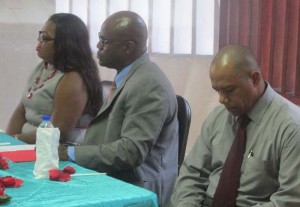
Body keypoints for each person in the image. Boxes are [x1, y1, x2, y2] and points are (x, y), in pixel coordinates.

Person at [58, 11, 179, 206]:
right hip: (112, 176)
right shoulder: (130, 76)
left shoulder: (148, 84)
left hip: (136, 187)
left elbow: (130, 151)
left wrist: (70, 154)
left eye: (104, 41)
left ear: (127, 47)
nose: (98, 46)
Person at [169, 45, 300, 207]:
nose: (222, 99)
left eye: (229, 90)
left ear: (254, 79)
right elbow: (192, 174)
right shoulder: (218, 117)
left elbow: (290, 200)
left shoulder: (291, 127)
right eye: (218, 91)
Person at [6, 13, 102, 145]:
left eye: (45, 37)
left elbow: (57, 134)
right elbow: (21, 110)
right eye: (41, 34)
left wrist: (15, 141)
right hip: (26, 145)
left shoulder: (73, 79)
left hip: (54, 150)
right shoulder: (43, 67)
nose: (39, 40)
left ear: (65, 44)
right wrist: (8, 140)